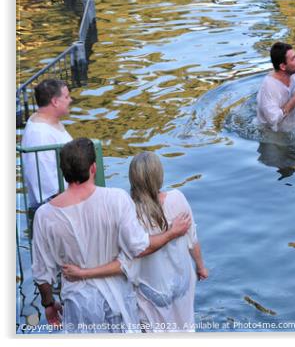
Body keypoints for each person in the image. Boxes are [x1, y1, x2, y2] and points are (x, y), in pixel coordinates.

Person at [32, 138, 192, 333]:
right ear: (93, 168)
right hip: (119, 303)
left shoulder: (44, 215)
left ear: (62, 171)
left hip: (79, 304)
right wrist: (171, 233)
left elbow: (42, 274)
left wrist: (49, 304)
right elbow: (139, 247)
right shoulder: (116, 199)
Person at [62, 151, 208, 333]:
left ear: (132, 179)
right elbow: (192, 239)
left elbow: (123, 265)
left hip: (152, 295)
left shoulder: (130, 214)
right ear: (159, 176)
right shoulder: (177, 198)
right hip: (182, 284)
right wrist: (201, 267)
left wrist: (83, 273)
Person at [22, 79, 73, 207]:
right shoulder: (40, 135)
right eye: (66, 97)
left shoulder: (49, 120)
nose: (70, 100)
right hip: (59, 208)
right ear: (55, 102)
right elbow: (47, 188)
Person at [256, 42, 295, 132]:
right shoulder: (269, 86)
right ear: (283, 66)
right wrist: (294, 101)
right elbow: (273, 120)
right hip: (270, 132)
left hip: (291, 125)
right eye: (293, 59)